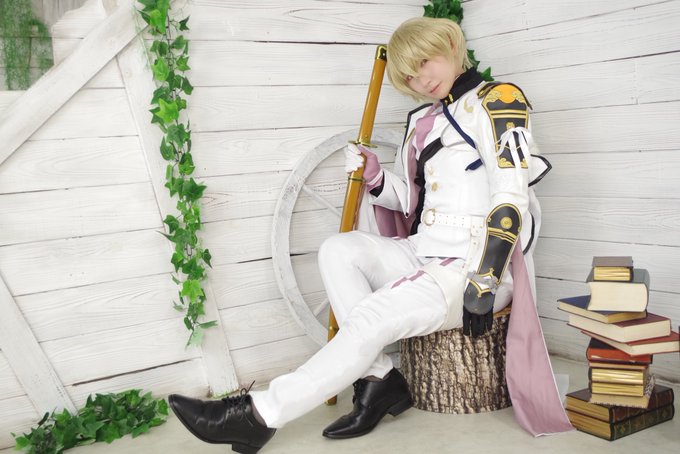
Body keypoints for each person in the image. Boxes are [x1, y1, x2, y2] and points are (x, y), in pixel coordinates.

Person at [168, 17, 572, 454]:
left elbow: (511, 196)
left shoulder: (499, 100)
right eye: (410, 76)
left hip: (473, 265)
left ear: (451, 45)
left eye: (425, 62)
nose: (422, 80)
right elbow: (417, 203)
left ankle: (259, 414)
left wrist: (486, 276)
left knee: (374, 315)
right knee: (338, 250)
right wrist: (378, 178)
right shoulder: (424, 120)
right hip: (425, 251)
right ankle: (379, 378)